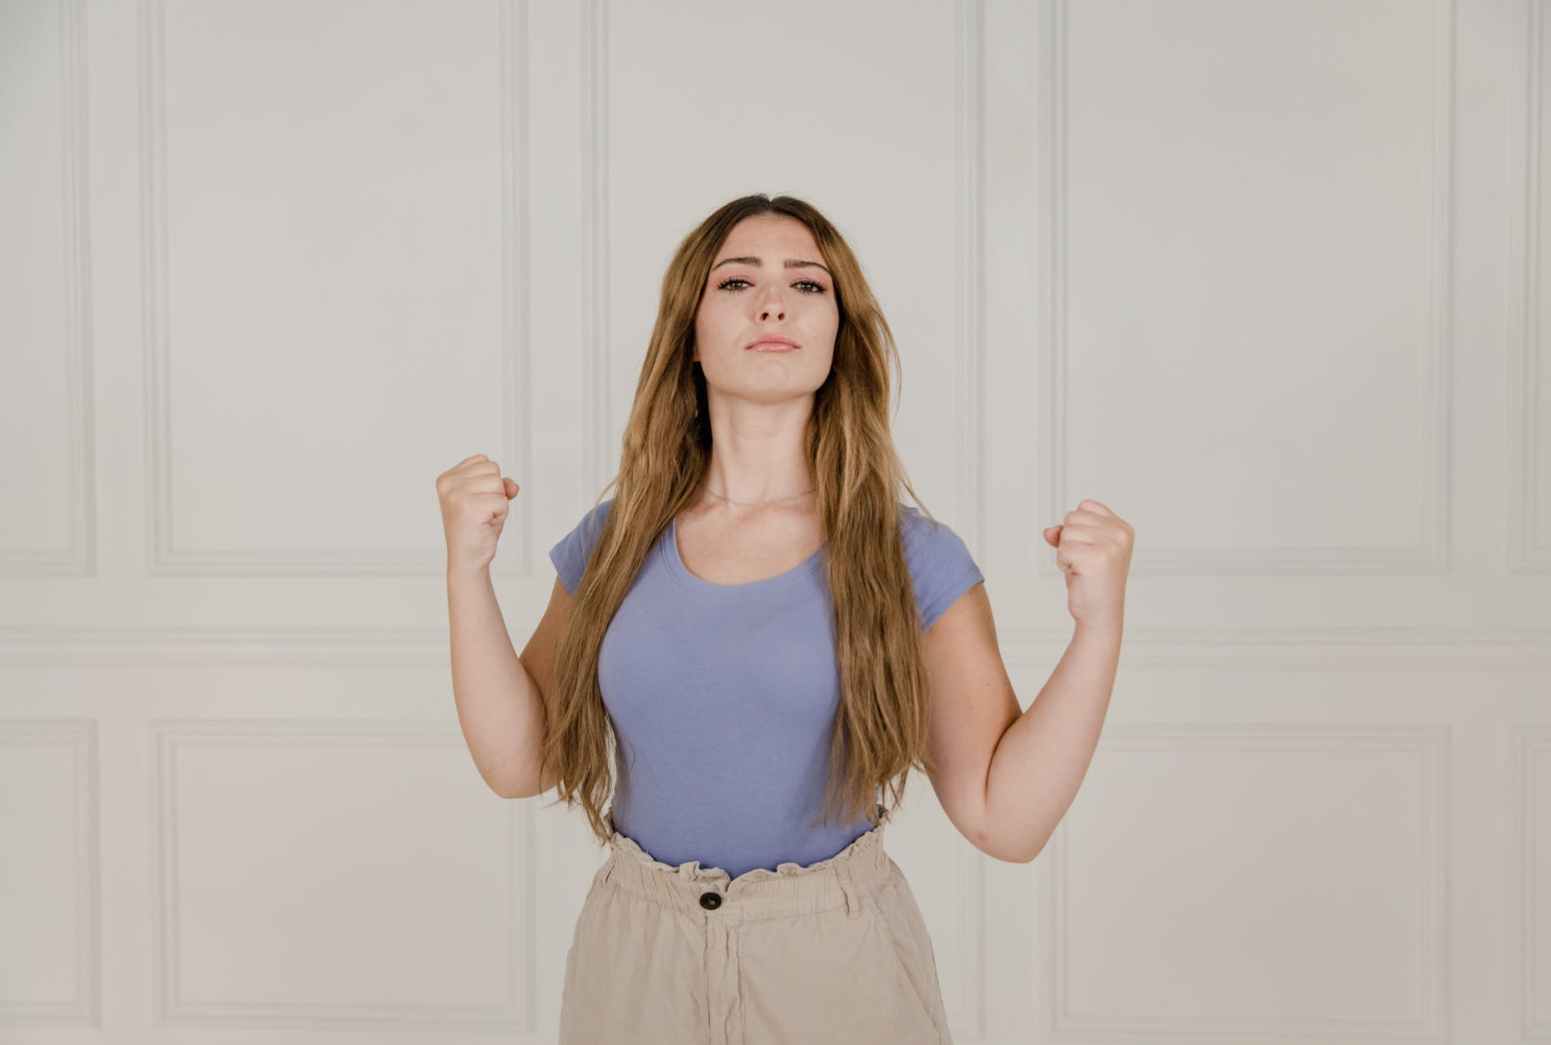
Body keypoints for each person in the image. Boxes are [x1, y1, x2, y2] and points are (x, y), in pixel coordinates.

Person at [438, 193, 1135, 1043]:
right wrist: (466, 569)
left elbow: (1005, 817)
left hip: (834, 970)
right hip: (635, 961)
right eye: (737, 281)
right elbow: (521, 761)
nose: (773, 303)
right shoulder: (615, 541)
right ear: (690, 333)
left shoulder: (909, 556)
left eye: (808, 284)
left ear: (839, 333)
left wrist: (1099, 627)